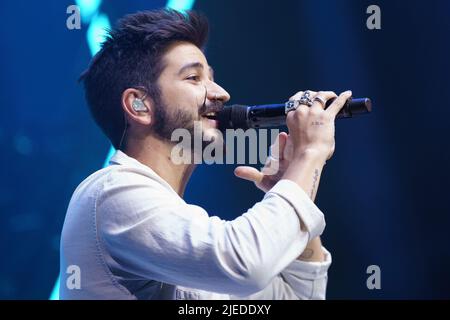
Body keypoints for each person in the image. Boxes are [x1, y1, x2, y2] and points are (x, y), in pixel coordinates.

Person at [60, 8, 352, 300]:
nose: (222, 94)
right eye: (194, 78)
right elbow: (247, 264)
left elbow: (297, 298)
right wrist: (309, 154)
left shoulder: (185, 248)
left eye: (211, 77)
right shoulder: (112, 193)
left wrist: (293, 184)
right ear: (139, 105)